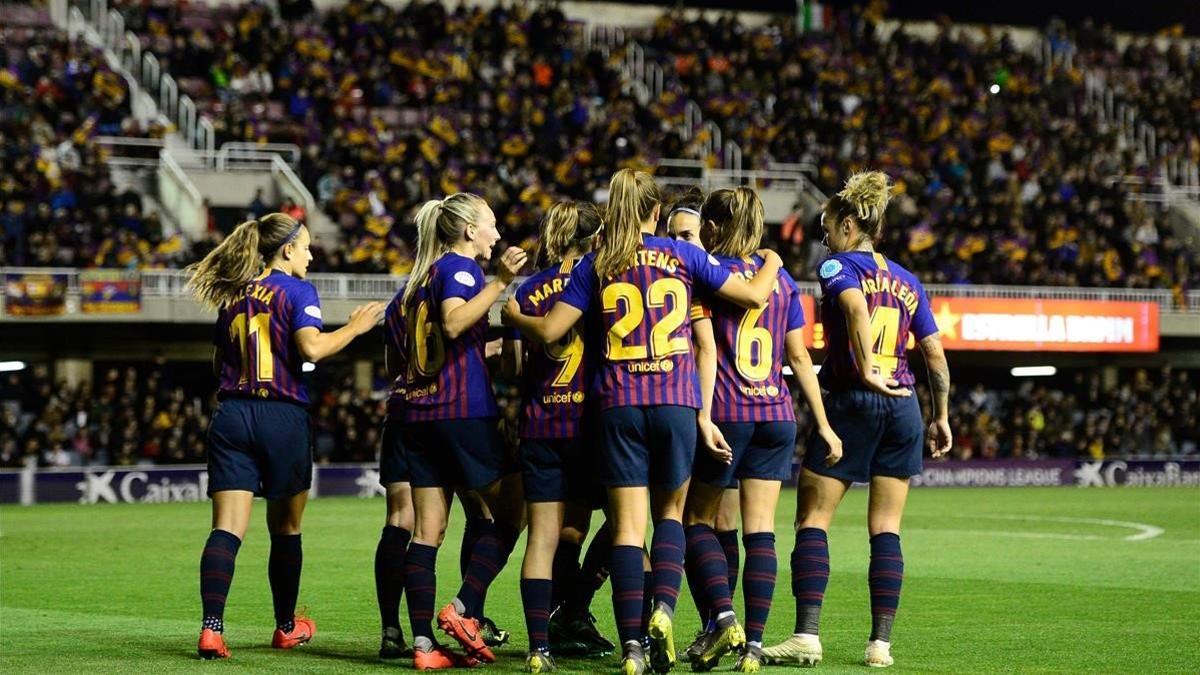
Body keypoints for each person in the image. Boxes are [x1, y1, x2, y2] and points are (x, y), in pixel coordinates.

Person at [504, 169, 784, 675]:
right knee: (671, 515)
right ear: (656, 212)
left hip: (617, 405)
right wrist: (775, 260)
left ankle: (632, 649)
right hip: (676, 402)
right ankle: (664, 609)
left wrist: (513, 317)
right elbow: (752, 296)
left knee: (627, 530)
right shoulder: (683, 255)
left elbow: (550, 331)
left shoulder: (598, 262)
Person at [762, 172, 952, 669]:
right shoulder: (909, 281)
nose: (823, 237)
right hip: (906, 405)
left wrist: (867, 366)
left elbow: (853, 308)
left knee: (812, 519)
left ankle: (806, 636)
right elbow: (932, 352)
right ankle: (879, 646)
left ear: (849, 225)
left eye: (827, 227)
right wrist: (942, 415)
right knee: (886, 526)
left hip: (854, 400)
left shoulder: (836, 267)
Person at [185, 213, 385, 659]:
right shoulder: (298, 290)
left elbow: (219, 365)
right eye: (307, 247)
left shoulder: (233, 296)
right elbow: (312, 348)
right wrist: (355, 327)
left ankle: (212, 629)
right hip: (282, 416)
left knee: (226, 528)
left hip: (232, 414)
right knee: (287, 528)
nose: (312, 255)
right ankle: (285, 626)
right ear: (288, 250)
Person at [680, 187, 842, 672]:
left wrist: (702, 414)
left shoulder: (705, 274)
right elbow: (799, 358)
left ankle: (721, 617)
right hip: (776, 413)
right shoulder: (785, 281)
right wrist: (825, 424)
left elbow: (702, 349)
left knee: (695, 521)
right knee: (762, 532)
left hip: (727, 410)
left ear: (710, 228)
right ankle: (753, 645)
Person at [398, 193, 529, 670]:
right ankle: (465, 608)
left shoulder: (415, 283)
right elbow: (454, 324)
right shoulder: (460, 268)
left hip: (419, 414)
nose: (497, 233)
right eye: (491, 224)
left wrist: (483, 350)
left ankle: (423, 646)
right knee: (515, 507)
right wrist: (501, 283)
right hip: (462, 411)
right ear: (470, 231)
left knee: (427, 531)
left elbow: (408, 351)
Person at [506, 201, 609, 673]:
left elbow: (512, 368)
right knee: (617, 524)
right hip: (589, 424)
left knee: (544, 538)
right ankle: (622, 629)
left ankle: (539, 647)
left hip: (540, 422)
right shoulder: (602, 281)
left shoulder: (528, 289)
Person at [666, 189, 745, 653]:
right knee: (674, 520)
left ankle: (714, 620)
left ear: (708, 236)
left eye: (689, 235)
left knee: (717, 521)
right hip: (686, 409)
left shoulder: (714, 277)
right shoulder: (691, 278)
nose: (680, 243)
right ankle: (715, 620)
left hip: (716, 411)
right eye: (673, 235)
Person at [375, 279, 415, 659]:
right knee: (486, 514)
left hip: (400, 408)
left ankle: (391, 629)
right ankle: (473, 615)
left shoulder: (397, 299)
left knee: (399, 518)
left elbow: (392, 365)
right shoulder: (455, 279)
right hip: (446, 411)